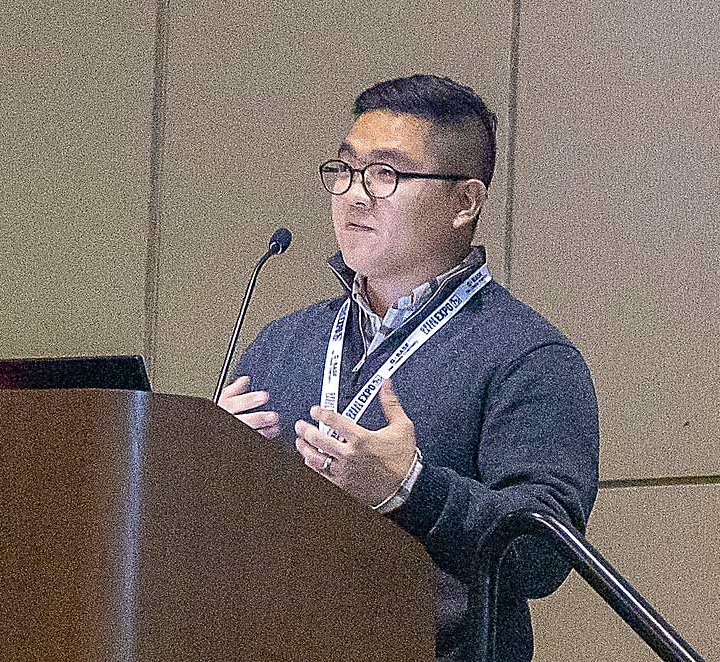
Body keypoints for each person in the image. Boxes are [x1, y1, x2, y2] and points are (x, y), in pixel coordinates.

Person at [219, 74, 599, 662]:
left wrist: (411, 489)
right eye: (344, 171)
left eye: (386, 175)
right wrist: (210, 465)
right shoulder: (283, 344)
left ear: (464, 203)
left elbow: (544, 554)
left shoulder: (528, 357)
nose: (354, 195)